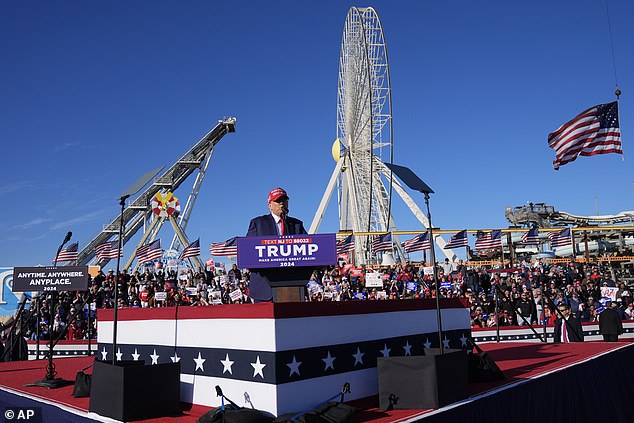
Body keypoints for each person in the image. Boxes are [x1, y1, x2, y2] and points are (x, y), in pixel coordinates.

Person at [246, 187, 307, 302]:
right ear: (270, 205)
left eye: (284, 201)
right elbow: (249, 252)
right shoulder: (258, 223)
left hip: (293, 288)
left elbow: (309, 249)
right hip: (264, 290)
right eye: (278, 201)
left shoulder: (297, 225)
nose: (281, 204)